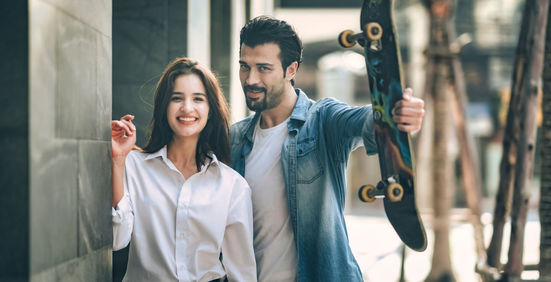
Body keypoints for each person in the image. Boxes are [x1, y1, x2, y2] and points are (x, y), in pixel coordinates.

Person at [229, 16, 425, 281]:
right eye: (244, 66)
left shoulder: (322, 120)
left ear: (291, 70)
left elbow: (369, 121)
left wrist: (398, 117)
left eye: (263, 68)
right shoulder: (235, 139)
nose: (250, 79)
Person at [111, 58, 256, 282]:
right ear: (164, 106)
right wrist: (118, 160)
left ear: (211, 109)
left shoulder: (232, 186)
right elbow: (116, 239)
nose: (187, 108)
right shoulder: (134, 166)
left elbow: (242, 272)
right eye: (176, 98)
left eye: (198, 99)